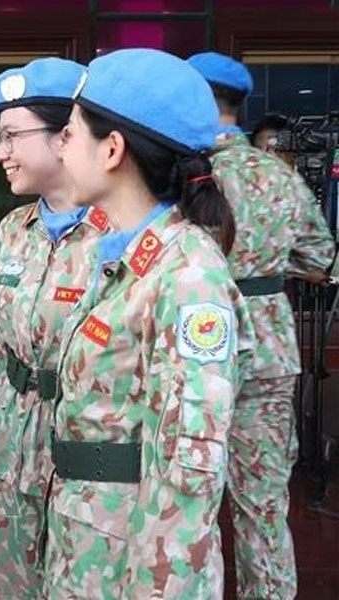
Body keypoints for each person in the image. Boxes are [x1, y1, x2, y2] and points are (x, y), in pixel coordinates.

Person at [50, 48, 254, 597]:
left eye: (68, 134)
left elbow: (189, 478)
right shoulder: (124, 257)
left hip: (132, 568)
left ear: (112, 148)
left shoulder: (187, 279)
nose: (58, 148)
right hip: (91, 542)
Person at [189, 51, 336, 600]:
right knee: (264, 509)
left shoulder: (178, 172)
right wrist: (268, 266)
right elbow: (324, 259)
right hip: (268, 352)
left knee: (187, 505)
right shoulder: (279, 176)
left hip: (192, 350)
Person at [0, 57, 106, 599]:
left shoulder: (121, 234)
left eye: (11, 136)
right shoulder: (13, 229)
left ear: (66, 136)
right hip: (6, 463)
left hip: (87, 473)